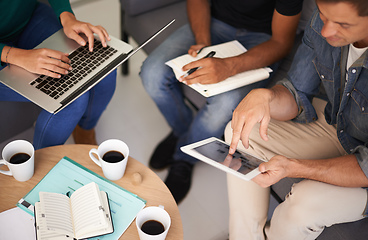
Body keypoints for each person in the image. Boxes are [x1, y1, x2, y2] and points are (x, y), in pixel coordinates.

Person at [225, 0, 368, 239]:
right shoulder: (324, 25)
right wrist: (266, 97)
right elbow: (297, 92)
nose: (325, 32)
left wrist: (294, 167)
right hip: (339, 125)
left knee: (305, 203)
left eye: (343, 24)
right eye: (323, 16)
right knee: (240, 132)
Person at [140, 0, 303, 203]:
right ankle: (183, 133)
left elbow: (282, 43)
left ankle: (184, 157)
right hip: (214, 23)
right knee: (152, 73)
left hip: (262, 38)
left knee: (226, 103)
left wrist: (229, 66)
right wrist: (203, 43)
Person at [0, 0, 116, 149]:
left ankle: (85, 130)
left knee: (104, 67)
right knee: (70, 98)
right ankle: (43, 166)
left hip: (28, 19)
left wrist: (67, 16)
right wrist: (16, 56)